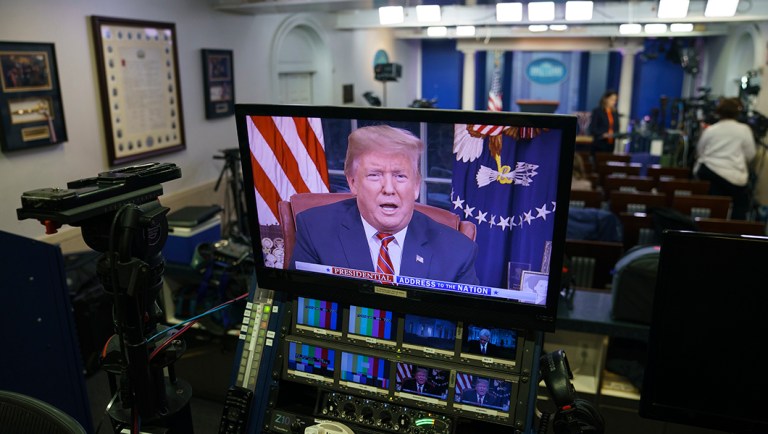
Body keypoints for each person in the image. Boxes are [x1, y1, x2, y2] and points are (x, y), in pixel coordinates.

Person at [289, 125, 480, 284]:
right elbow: (300, 306)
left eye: (400, 176)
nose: (389, 188)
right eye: (375, 175)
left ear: (416, 186)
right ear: (353, 183)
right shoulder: (315, 230)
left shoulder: (458, 251)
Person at [693, 97, 757, 220]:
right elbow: (751, 154)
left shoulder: (711, 130)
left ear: (719, 112)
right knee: (740, 206)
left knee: (714, 209)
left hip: (710, 173)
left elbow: (700, 151)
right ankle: (735, 232)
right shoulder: (744, 130)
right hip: (735, 178)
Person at [589, 90, 620, 156]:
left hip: (611, 144)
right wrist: (603, 134)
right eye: (612, 99)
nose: (614, 102)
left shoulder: (615, 112)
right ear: (606, 99)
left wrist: (616, 134)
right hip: (599, 144)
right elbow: (592, 129)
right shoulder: (597, 111)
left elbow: (616, 127)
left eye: (615, 100)